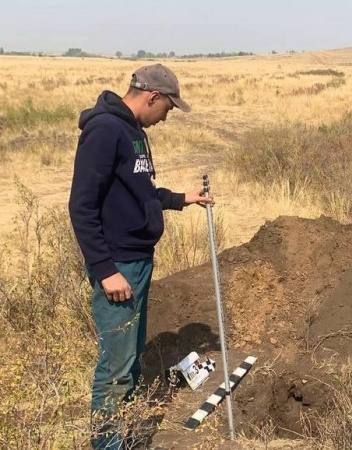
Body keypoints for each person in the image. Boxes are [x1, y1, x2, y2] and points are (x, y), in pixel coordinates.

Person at [68, 63, 213, 449]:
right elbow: (82, 207)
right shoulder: (104, 130)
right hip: (118, 267)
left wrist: (182, 199)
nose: (166, 117)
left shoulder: (133, 132)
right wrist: (105, 269)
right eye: (167, 108)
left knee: (130, 361)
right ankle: (107, 445)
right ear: (153, 96)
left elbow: (141, 193)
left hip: (138, 261)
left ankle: (125, 436)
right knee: (114, 369)